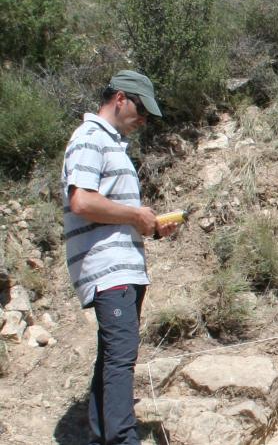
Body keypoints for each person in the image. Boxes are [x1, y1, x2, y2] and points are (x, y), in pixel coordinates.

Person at [62, 70, 179, 445]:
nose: (143, 120)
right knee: (121, 357)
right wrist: (134, 215)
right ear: (120, 99)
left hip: (121, 267)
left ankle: (102, 438)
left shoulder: (109, 143)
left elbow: (108, 212)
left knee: (112, 356)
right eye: (142, 110)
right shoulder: (90, 138)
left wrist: (149, 224)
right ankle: (122, 438)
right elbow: (81, 201)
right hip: (107, 270)